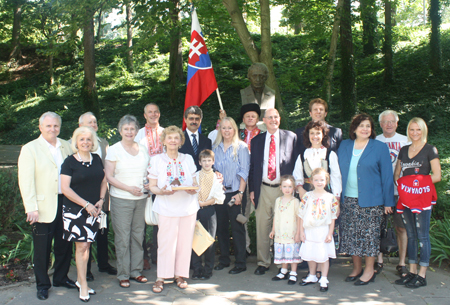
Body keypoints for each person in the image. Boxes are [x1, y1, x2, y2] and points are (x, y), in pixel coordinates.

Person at [18, 112, 76, 300]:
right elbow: (26, 181)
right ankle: (43, 284)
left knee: (65, 244)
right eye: (49, 126)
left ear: (60, 127)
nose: (53, 129)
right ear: (40, 127)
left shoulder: (66, 146)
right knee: (42, 248)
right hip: (42, 206)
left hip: (66, 203)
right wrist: (31, 207)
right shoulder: (30, 148)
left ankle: (61, 278)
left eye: (56, 126)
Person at [337, 113, 395, 286]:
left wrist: (388, 202)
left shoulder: (379, 147)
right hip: (348, 200)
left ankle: (369, 270)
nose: (365, 129)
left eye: (368, 126)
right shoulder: (344, 145)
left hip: (372, 201)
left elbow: (387, 177)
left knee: (369, 238)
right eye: (361, 125)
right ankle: (356, 268)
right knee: (352, 236)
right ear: (354, 128)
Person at [148, 126, 199, 293]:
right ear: (163, 140)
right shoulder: (156, 160)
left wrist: (192, 189)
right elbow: (153, 187)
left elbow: (193, 183)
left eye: (176, 138)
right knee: (165, 243)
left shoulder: (188, 158)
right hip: (166, 207)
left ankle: (180, 275)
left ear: (181, 141)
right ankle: (161, 277)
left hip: (187, 207)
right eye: (169, 138)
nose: (172, 141)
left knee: (184, 243)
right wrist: (162, 191)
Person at [248, 108, 297, 275]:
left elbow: (295, 163)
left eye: (276, 117)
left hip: (284, 191)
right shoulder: (256, 141)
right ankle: (263, 262)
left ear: (280, 119)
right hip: (262, 188)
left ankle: (283, 262)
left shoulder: (291, 137)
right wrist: (252, 190)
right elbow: (252, 167)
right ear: (264, 120)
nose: (273, 120)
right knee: (262, 226)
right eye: (270, 117)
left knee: (285, 227)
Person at [60, 126, 107, 302]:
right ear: (76, 142)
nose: (85, 142)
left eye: (88, 139)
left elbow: (104, 181)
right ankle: (84, 285)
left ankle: (80, 280)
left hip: (94, 210)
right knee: (81, 247)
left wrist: (101, 200)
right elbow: (65, 188)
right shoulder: (69, 162)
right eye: (82, 139)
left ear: (93, 142)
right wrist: (85, 204)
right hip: (75, 211)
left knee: (87, 246)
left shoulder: (96, 159)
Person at [393, 117, 441, 288]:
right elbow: (397, 174)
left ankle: (422, 275)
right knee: (411, 235)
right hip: (406, 200)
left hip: (422, 199)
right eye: (412, 129)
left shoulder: (430, 150)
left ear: (423, 131)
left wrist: (418, 182)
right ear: (408, 131)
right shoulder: (404, 150)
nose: (415, 133)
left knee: (422, 236)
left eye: (418, 129)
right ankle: (412, 272)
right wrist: (403, 188)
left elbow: (437, 175)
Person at [105, 115, 150, 288]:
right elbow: (109, 176)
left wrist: (147, 184)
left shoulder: (143, 148)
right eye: (126, 129)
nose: (129, 132)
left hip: (141, 199)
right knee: (123, 237)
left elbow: (147, 171)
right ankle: (123, 273)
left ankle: (136, 271)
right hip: (121, 199)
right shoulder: (114, 149)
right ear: (120, 130)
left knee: (138, 236)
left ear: (136, 131)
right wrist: (128, 188)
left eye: (132, 129)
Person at [77, 112, 117, 280]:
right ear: (80, 126)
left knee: (102, 230)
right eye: (89, 122)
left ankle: (103, 264)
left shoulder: (104, 143)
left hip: (102, 195)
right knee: (85, 234)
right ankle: (85, 270)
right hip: (83, 196)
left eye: (94, 122)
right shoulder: (76, 143)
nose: (93, 125)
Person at [375, 110, 410, 276]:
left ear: (397, 123)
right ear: (380, 124)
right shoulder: (374, 141)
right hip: (380, 192)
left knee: (401, 227)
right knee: (378, 227)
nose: (388, 124)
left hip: (401, 192)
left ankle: (402, 263)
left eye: (392, 121)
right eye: (385, 121)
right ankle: (379, 260)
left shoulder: (405, 141)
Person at [212, 117, 250, 275]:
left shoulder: (241, 147)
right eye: (224, 128)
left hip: (235, 193)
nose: (226, 131)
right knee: (221, 229)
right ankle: (224, 260)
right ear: (220, 130)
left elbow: (244, 171)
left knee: (237, 228)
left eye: (230, 128)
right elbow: (212, 168)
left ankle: (240, 262)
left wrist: (240, 193)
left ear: (234, 129)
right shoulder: (215, 147)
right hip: (220, 194)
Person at [298, 168, 339, 292]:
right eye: (316, 180)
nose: (319, 182)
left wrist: (330, 233)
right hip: (309, 229)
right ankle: (312, 275)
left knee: (323, 255)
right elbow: (300, 215)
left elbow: (333, 217)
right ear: (311, 181)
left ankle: (324, 278)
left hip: (323, 230)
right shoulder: (307, 196)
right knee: (311, 254)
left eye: (322, 180)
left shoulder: (331, 198)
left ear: (326, 181)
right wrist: (301, 232)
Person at [134, 103, 164, 269]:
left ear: (159, 114)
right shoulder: (138, 135)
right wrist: (141, 183)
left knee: (160, 220)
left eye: (156, 111)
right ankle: (143, 256)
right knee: (142, 221)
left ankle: (158, 254)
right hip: (144, 183)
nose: (153, 114)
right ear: (144, 115)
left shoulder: (166, 133)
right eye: (150, 112)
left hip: (161, 184)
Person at [192, 149, 225, 280]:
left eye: (209, 161)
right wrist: (197, 204)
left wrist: (203, 204)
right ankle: (197, 268)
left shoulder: (217, 177)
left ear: (213, 162)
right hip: (195, 210)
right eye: (204, 161)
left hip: (209, 210)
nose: (206, 163)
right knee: (196, 239)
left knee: (209, 240)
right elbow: (192, 191)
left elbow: (218, 198)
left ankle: (208, 269)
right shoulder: (195, 175)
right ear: (199, 162)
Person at [293, 120, 342, 199]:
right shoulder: (302, 155)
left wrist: (336, 197)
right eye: (312, 133)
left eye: (318, 133)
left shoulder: (330, 154)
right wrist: (300, 189)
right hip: (306, 195)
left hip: (325, 195)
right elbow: (297, 175)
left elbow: (335, 176)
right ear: (308, 135)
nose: (315, 136)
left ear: (323, 135)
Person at [239, 103, 262, 255]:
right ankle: (245, 246)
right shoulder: (236, 134)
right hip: (241, 179)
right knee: (242, 214)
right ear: (243, 118)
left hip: (258, 177)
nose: (250, 118)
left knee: (263, 214)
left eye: (253, 116)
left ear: (258, 118)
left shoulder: (263, 134)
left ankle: (267, 247)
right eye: (247, 116)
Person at [269, 175, 301, 285]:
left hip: (291, 233)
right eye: (285, 186)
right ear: (280, 187)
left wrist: (298, 233)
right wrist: (273, 230)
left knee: (291, 253)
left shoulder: (295, 201)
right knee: (283, 252)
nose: (287, 189)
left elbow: (299, 218)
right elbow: (275, 216)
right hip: (279, 232)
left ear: (294, 188)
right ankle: (283, 271)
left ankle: (293, 273)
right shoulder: (278, 200)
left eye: (290, 186)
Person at [179, 106, 212, 171]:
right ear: (185, 119)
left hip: (202, 178)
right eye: (191, 118)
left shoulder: (207, 141)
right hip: (183, 178)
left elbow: (209, 162)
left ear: (200, 120)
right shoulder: (178, 139)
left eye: (197, 119)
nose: (194, 121)